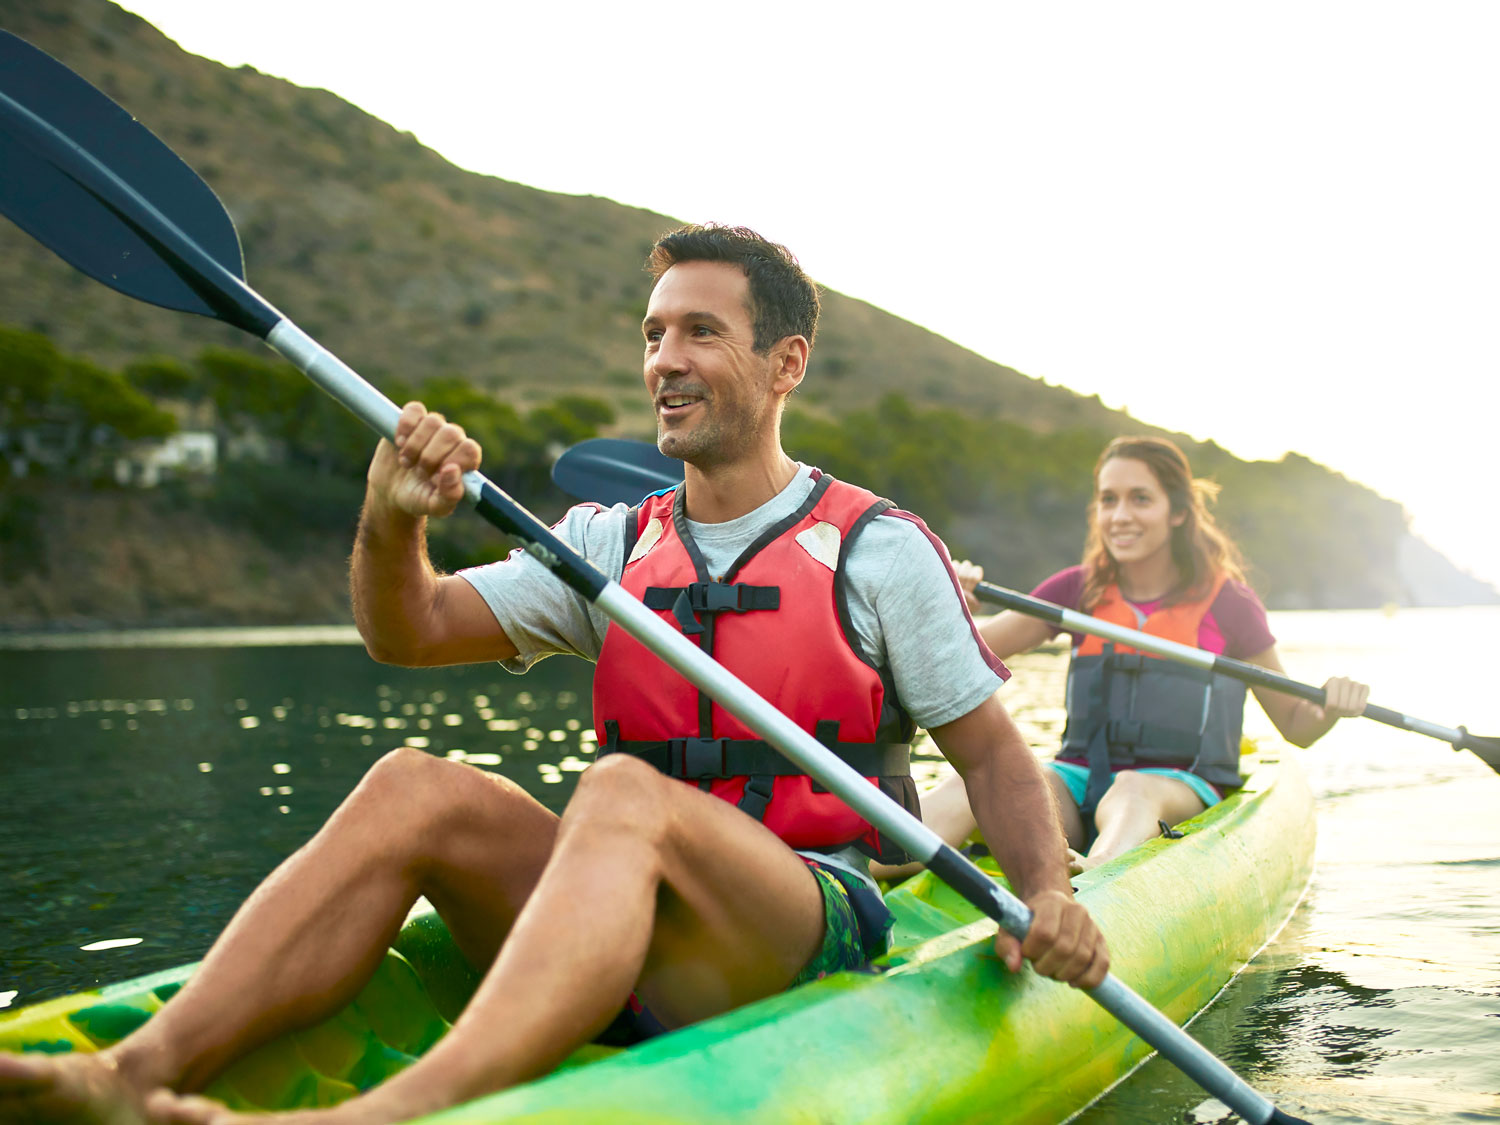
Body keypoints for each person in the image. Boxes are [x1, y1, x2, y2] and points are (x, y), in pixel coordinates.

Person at [0, 225, 1107, 1125]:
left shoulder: (877, 548)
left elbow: (994, 756)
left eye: (701, 333)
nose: (665, 359)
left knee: (620, 792)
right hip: (630, 918)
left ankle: (383, 1116)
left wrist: (1049, 895)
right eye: (654, 333)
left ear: (786, 364)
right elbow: (412, 630)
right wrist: (392, 521)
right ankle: (137, 1072)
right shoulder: (609, 545)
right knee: (411, 782)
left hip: (795, 916)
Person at [879, 435, 1370, 880]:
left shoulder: (1229, 604)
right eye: (1108, 500)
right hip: (1078, 780)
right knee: (983, 783)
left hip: (1179, 787)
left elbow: (1296, 726)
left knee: (1133, 789)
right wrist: (954, 604)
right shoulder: (1078, 589)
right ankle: (861, 869)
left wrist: (1330, 705)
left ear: (1177, 512)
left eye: (1140, 499)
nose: (1120, 515)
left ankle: (1096, 875)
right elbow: (968, 654)